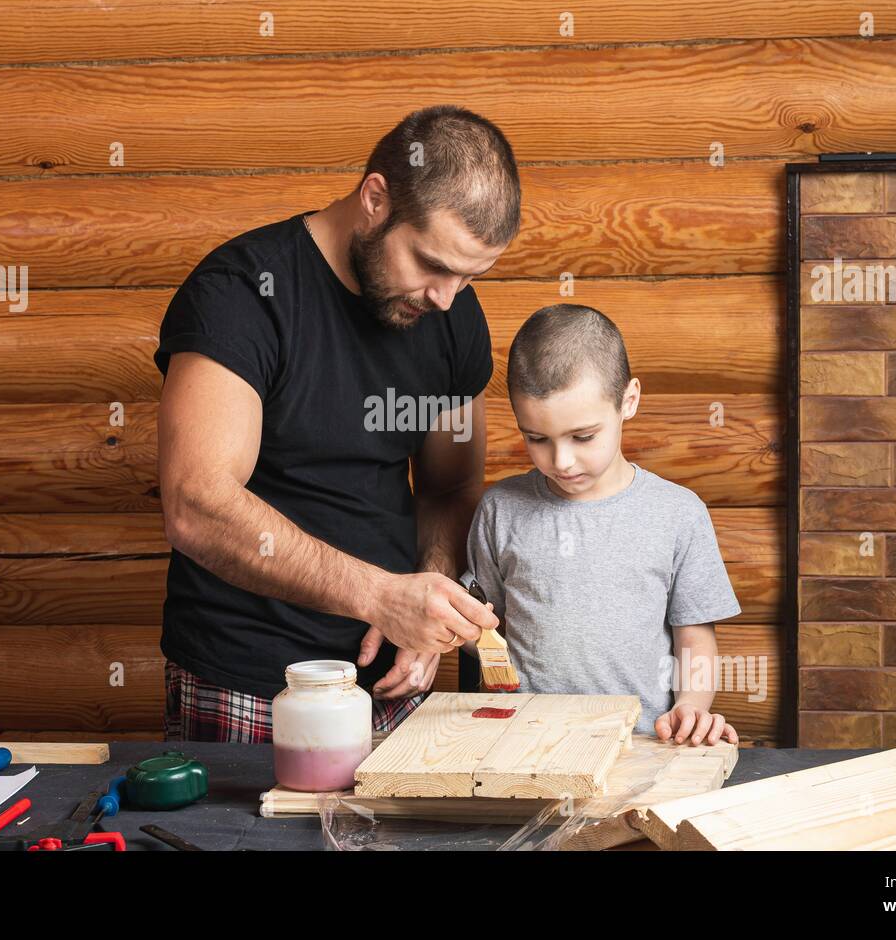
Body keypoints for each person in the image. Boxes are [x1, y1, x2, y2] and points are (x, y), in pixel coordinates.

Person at [154, 105, 518, 742]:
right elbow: (195, 503)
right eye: (432, 263)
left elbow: (450, 489)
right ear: (375, 198)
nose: (446, 297)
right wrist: (380, 595)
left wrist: (426, 609)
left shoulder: (452, 313)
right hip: (252, 677)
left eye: (468, 276)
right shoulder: (242, 293)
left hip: (394, 679)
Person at [463, 304, 742, 745]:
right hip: (520, 745)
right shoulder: (500, 510)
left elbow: (695, 636)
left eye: (583, 436)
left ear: (628, 400)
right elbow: (484, 629)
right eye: (537, 438)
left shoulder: (678, 513)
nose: (561, 461)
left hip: (642, 742)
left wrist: (691, 705)